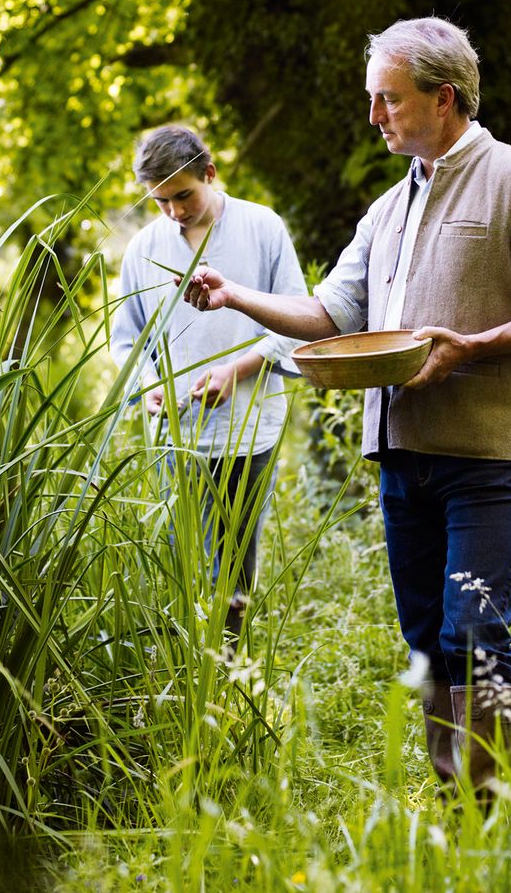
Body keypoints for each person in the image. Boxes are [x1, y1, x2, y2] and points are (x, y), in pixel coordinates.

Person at [181, 18, 511, 797]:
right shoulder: (385, 208)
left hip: (491, 451)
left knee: (473, 627)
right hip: (402, 450)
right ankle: (457, 802)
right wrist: (236, 294)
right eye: (372, 99)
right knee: (425, 636)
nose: (375, 116)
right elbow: (333, 312)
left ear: (444, 98)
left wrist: (469, 348)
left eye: (388, 99)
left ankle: (491, 804)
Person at [110, 125, 307, 639]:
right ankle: (185, 679)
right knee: (183, 565)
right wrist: (151, 382)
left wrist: (235, 369)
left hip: (249, 428)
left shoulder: (263, 229)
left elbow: (298, 320)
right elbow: (125, 342)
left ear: (210, 175)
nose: (174, 211)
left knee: (236, 566)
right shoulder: (142, 249)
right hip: (175, 438)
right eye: (160, 201)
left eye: (183, 195)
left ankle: (226, 678)